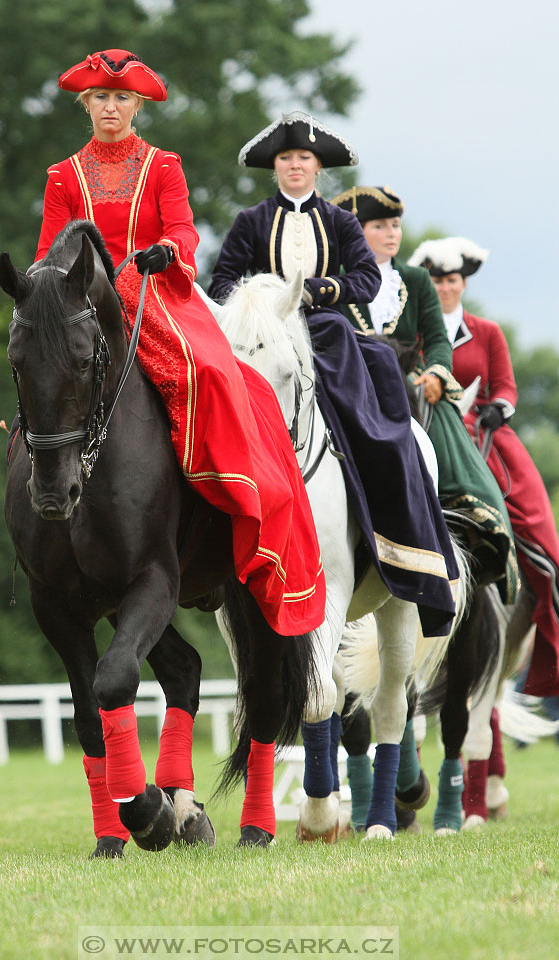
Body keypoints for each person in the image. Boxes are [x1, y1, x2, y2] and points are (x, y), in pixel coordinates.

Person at [34, 50, 326, 638]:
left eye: (121, 98)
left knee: (210, 376)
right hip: (85, 305)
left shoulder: (163, 164)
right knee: (40, 376)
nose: (110, 107)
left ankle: (232, 499)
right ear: (84, 105)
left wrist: (172, 251)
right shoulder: (63, 176)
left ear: (137, 105)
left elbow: (183, 228)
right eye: (100, 98)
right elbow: (48, 250)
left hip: (153, 295)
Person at [209, 113, 460, 639]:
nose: (294, 166)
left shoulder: (341, 222)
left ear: (318, 168)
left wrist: (318, 292)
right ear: (274, 168)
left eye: (303, 159)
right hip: (263, 336)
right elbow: (223, 279)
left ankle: (396, 531)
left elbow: (367, 278)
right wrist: (260, 297)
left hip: (324, 331)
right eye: (285, 159)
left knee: (382, 412)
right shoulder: (250, 221)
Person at [333, 187, 518, 604]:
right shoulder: (338, 281)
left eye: (395, 225)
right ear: (357, 232)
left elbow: (436, 338)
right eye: (380, 226)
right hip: (349, 381)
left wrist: (437, 372)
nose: (392, 233)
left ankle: (473, 521)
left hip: (409, 382)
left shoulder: (415, 280)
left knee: (451, 439)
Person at [408, 236, 559, 698]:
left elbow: (507, 387)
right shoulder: (416, 332)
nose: (444, 287)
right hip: (434, 429)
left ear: (463, 283)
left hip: (487, 436)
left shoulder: (487, 331)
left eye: (451, 280)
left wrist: (501, 408)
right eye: (435, 279)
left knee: (541, 534)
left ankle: (549, 633)